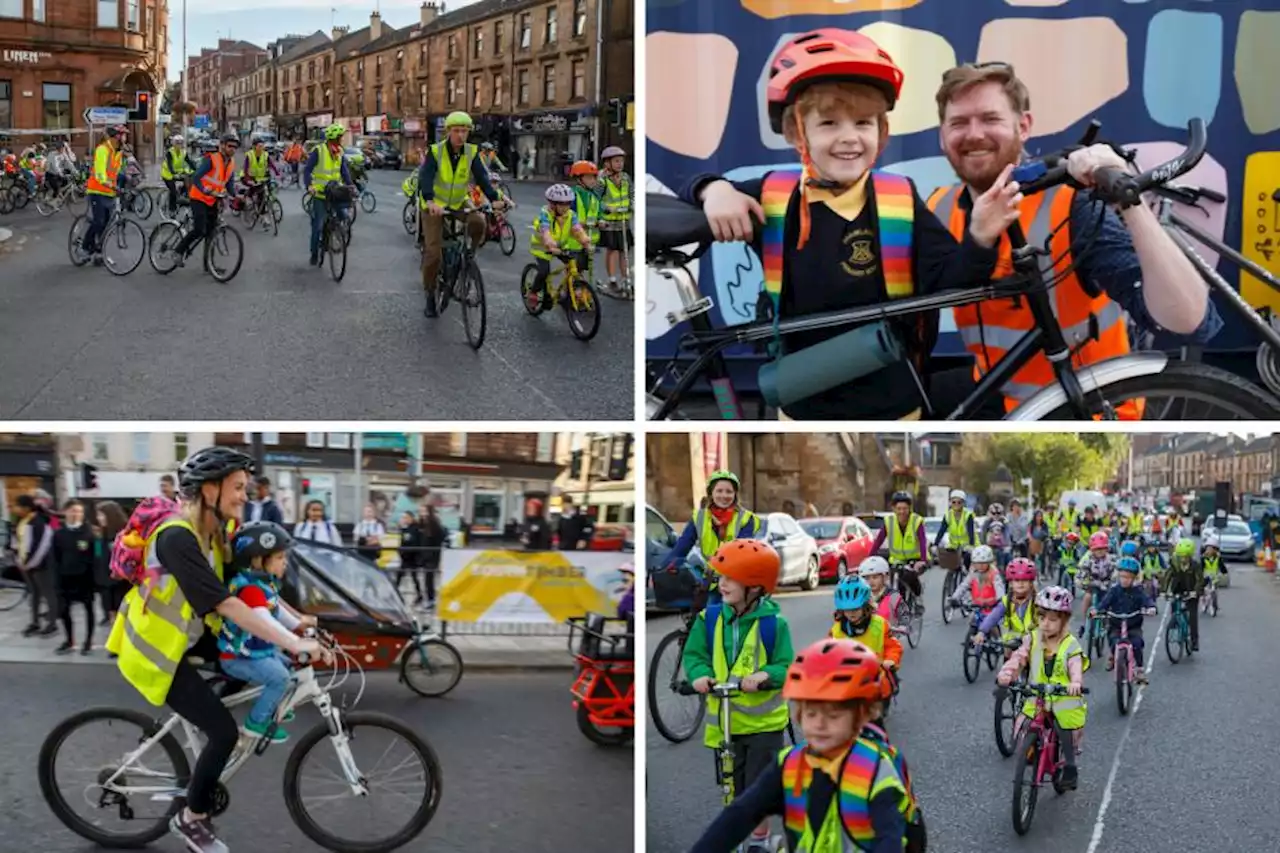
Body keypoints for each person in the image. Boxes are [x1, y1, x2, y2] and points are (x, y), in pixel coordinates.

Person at [681, 30, 1022, 419]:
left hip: (894, 406)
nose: (849, 138)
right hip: (801, 404)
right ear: (797, 132)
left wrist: (979, 236)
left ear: (882, 132)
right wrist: (714, 189)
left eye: (863, 122)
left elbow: (953, 283)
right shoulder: (773, 194)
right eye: (828, 123)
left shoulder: (901, 199)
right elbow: (684, 192)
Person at [927, 62, 1221, 417]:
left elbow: (1188, 320)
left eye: (991, 119)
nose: (974, 135)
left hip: (1086, 406)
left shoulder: (1069, 206)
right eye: (959, 123)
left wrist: (1129, 199)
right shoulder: (937, 207)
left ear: (1023, 127)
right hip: (1000, 393)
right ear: (943, 136)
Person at [103, 447, 330, 853]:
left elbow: (255, 592)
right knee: (222, 732)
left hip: (189, 639)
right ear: (210, 489)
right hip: (157, 652)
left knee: (253, 666)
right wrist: (294, 641)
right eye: (238, 487)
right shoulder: (176, 537)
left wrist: (299, 622)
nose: (245, 494)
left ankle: (218, 743)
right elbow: (226, 604)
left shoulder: (216, 532)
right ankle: (191, 818)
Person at [691, 638, 919, 852]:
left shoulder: (876, 771)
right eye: (810, 713)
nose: (819, 724)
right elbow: (741, 814)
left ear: (861, 716)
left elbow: (891, 841)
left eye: (833, 716)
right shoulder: (789, 764)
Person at [682, 540, 795, 852]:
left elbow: (787, 667)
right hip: (725, 726)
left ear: (756, 586)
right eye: (721, 577)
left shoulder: (774, 625)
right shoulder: (709, 620)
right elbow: (695, 655)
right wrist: (699, 675)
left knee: (756, 791)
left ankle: (759, 841)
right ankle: (734, 838)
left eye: (731, 578)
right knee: (731, 787)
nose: (723, 584)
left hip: (763, 728)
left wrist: (765, 676)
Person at [218, 521, 318, 743]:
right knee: (279, 678)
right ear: (257, 560)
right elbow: (265, 622)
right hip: (238, 657)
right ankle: (256, 722)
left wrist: (299, 624)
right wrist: (298, 643)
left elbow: (277, 610)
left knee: (289, 668)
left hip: (257, 652)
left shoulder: (264, 584)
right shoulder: (250, 590)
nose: (285, 563)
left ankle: (272, 705)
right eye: (280, 558)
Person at [996, 586, 1088, 790]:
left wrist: (1075, 683)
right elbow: (1019, 658)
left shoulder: (1070, 644)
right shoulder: (1033, 638)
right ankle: (1030, 749)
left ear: (1064, 621)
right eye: (1042, 617)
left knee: (1065, 726)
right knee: (1023, 723)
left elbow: (1075, 666)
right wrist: (1007, 673)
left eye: (1053, 619)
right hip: (1037, 693)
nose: (1046, 624)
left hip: (1062, 696)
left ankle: (1070, 765)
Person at [416, 111, 507, 317]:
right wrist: (430, 201)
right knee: (433, 254)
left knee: (479, 222)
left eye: (464, 131)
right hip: (435, 205)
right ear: (448, 131)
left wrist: (494, 198)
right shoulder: (436, 151)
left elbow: (482, 178)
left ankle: (469, 254)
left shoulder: (471, 152)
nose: (460, 135)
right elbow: (426, 178)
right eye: (456, 131)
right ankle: (430, 294)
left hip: (458, 202)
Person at [829, 575, 901, 722]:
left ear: (866, 605)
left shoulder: (880, 625)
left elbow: (893, 646)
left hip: (876, 681)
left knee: (875, 723)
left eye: (855, 608)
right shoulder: (837, 629)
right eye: (846, 609)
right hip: (849, 681)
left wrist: (891, 660)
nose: (851, 613)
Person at [664, 470, 764, 572]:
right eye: (719, 491)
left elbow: (741, 553)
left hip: (735, 576)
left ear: (735, 495)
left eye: (729, 492)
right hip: (708, 578)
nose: (724, 496)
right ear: (711, 493)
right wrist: (663, 569)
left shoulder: (746, 519)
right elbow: (681, 548)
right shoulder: (700, 517)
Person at [170, 133, 238, 268]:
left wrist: (236, 197)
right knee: (199, 229)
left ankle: (209, 265)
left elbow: (229, 185)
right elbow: (196, 177)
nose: (233, 149)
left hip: (213, 200)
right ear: (222, 146)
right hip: (198, 198)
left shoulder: (231, 164)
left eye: (235, 147)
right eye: (230, 146)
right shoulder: (212, 159)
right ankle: (177, 252)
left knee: (211, 233)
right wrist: (205, 190)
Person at [528, 184, 595, 313]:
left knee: (573, 265)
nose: (565, 208)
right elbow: (545, 230)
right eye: (562, 205)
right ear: (553, 204)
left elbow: (577, 230)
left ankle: (568, 293)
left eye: (568, 204)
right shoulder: (545, 215)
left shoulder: (571, 215)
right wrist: (549, 242)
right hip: (542, 247)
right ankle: (534, 292)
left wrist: (585, 241)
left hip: (560, 247)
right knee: (544, 271)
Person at [1092, 557, 1156, 682]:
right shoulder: (1114, 590)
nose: (1124, 580)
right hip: (1116, 623)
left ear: (1134, 579)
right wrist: (1097, 610)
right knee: (1112, 639)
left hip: (1133, 624)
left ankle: (1139, 669)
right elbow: (1105, 602)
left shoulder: (1138, 591)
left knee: (1137, 643)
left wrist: (1151, 607)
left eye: (1128, 577)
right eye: (1122, 576)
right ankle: (1112, 655)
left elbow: (1146, 599)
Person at [303, 124, 355, 267]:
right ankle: (314, 254)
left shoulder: (339, 152)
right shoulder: (318, 151)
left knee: (344, 215)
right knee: (318, 226)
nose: (341, 140)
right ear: (334, 138)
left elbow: (344, 172)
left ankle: (335, 232)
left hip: (335, 192)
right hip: (320, 194)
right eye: (340, 138)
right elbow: (307, 170)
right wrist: (309, 186)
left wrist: (350, 185)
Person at [972, 557, 1038, 660]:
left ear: (1031, 582)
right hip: (1013, 643)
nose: (1020, 583)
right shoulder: (1006, 601)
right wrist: (982, 631)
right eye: (1016, 580)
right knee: (1005, 672)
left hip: (1034, 642)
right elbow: (993, 617)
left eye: (1025, 580)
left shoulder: (1038, 601)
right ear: (1011, 583)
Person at [53, 499, 96, 655]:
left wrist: (96, 577)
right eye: (73, 510)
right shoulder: (59, 534)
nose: (77, 514)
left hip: (84, 578)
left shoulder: (89, 532)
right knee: (64, 610)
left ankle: (88, 641)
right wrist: (56, 578)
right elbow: (55, 557)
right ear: (65, 512)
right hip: (65, 578)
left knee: (88, 609)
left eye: (79, 511)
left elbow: (96, 555)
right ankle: (69, 640)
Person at [79, 125, 127, 264]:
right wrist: (108, 183)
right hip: (97, 190)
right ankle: (85, 247)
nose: (125, 138)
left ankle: (99, 253)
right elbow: (100, 173)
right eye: (123, 135)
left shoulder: (118, 152)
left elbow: (116, 172)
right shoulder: (102, 150)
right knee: (98, 221)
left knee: (106, 225)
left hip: (109, 192)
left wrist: (127, 179)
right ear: (116, 136)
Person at [13, 494, 59, 638]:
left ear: (26, 508)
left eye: (18, 506)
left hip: (41, 565)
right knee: (34, 594)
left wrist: (31, 563)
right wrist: (19, 560)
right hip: (25, 564)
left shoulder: (39, 521)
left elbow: (42, 546)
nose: (16, 509)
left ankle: (52, 623)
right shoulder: (22, 521)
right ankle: (35, 622)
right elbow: (18, 541)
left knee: (48, 593)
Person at [870, 491, 926, 606]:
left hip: (915, 560)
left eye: (905, 508)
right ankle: (899, 611)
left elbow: (922, 541)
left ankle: (918, 596)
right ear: (894, 508)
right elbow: (879, 540)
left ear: (909, 508)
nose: (902, 512)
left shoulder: (916, 521)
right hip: (896, 560)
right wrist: (869, 557)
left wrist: (922, 560)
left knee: (909, 576)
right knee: (896, 587)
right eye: (899, 508)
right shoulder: (889, 521)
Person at [596, 145, 633, 296]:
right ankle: (612, 281)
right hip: (609, 222)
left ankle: (626, 280)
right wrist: (606, 208)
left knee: (625, 250)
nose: (620, 164)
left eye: (621, 161)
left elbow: (632, 194)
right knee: (613, 250)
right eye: (616, 161)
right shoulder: (601, 180)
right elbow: (595, 199)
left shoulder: (625, 178)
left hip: (624, 220)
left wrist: (633, 204)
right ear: (607, 163)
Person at [93, 501, 130, 630]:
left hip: (121, 584)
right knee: (113, 617)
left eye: (101, 515)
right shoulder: (100, 537)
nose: (99, 518)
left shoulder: (125, 536)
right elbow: (97, 557)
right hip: (106, 585)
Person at [1164, 537, 1202, 652]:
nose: (1183, 559)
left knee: (1192, 616)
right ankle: (1175, 622)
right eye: (1180, 556)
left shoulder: (1195, 566)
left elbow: (1199, 580)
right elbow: (1168, 577)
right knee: (1175, 607)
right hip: (1178, 589)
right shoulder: (1174, 564)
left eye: (1185, 556)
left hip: (1192, 591)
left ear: (1190, 556)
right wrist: (1165, 590)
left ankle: (1194, 640)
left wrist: (1195, 591)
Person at [568, 160, 602, 278]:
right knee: (573, 268)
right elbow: (568, 215)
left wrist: (601, 220)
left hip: (588, 239)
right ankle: (571, 290)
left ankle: (579, 287)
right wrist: (579, 223)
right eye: (589, 178)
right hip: (574, 240)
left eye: (594, 177)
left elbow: (598, 211)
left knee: (582, 267)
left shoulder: (594, 196)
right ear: (578, 179)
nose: (593, 181)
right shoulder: (572, 195)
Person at [1077, 531, 1116, 635]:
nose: (1100, 552)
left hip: (1106, 585)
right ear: (1092, 549)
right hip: (1092, 584)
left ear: (1107, 549)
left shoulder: (1111, 560)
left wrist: (1112, 582)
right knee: (1087, 597)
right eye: (1097, 549)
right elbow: (1082, 573)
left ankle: (1109, 621)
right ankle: (1084, 621)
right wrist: (1083, 581)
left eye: (1102, 549)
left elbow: (1115, 573)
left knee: (1109, 599)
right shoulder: (1087, 560)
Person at [948, 544, 1005, 613]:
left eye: (983, 563)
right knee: (973, 622)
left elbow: (999, 587)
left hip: (992, 610)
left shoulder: (994, 574)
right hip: (978, 609)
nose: (980, 566)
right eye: (977, 563)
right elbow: (964, 585)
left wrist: (1000, 600)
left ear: (989, 562)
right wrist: (955, 597)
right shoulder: (973, 573)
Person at [237, 134, 279, 227]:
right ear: (254, 147)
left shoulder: (265, 154)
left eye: (262, 145)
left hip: (259, 178)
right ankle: (247, 199)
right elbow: (246, 168)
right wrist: (248, 180)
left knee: (262, 196)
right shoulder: (250, 155)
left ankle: (263, 217)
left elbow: (271, 164)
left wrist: (277, 174)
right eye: (259, 146)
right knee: (252, 189)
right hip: (247, 176)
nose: (261, 147)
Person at [935, 489, 976, 567]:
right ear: (950, 502)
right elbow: (941, 531)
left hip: (967, 545)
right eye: (954, 502)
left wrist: (971, 545)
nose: (956, 504)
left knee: (968, 564)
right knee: (951, 566)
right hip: (953, 545)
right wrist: (935, 544)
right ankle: (951, 577)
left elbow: (971, 532)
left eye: (959, 502)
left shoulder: (968, 515)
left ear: (963, 503)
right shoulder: (948, 515)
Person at [395, 510, 427, 606]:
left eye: (406, 518)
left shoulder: (415, 529)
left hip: (412, 557)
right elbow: (402, 541)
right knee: (399, 576)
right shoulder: (404, 529)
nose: (404, 520)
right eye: (403, 518)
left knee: (414, 577)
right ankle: (395, 592)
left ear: (411, 518)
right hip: (405, 557)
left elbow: (415, 542)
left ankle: (419, 594)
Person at [858, 555, 900, 628]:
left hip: (888, 635)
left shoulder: (894, 596)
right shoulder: (861, 596)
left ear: (885, 577)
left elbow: (905, 615)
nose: (871, 581)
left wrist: (903, 626)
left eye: (875, 577)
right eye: (867, 578)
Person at [160, 133, 196, 216]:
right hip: (168, 174)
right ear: (173, 143)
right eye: (177, 143)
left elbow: (189, 162)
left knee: (189, 179)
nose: (179, 145)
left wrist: (197, 170)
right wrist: (173, 172)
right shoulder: (170, 152)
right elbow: (169, 164)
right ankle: (171, 209)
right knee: (173, 191)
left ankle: (182, 193)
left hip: (178, 172)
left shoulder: (184, 152)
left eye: (181, 143)